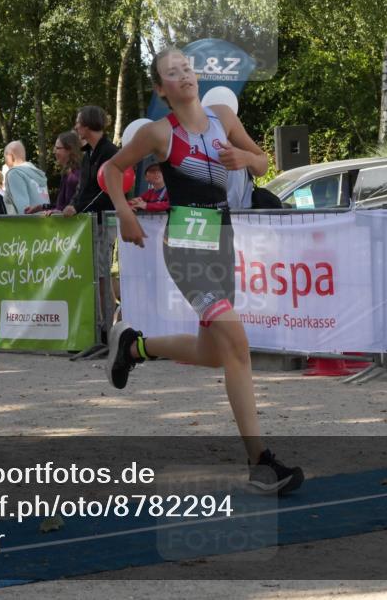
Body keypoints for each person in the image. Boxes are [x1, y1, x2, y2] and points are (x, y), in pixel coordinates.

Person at [103, 46, 304, 496]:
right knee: (237, 344)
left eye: (187, 68)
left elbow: (263, 161)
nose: (185, 75)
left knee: (213, 352)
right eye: (173, 72)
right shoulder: (159, 133)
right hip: (186, 248)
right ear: (162, 89)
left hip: (221, 242)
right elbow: (112, 169)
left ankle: (134, 347)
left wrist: (245, 160)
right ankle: (260, 463)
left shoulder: (223, 119)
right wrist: (125, 213)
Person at [62, 106, 119, 217]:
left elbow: (108, 193)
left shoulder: (110, 152)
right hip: (87, 220)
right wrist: (71, 205)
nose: (76, 127)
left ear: (87, 124)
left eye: (78, 122)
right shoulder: (87, 154)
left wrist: (78, 208)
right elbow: (81, 188)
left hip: (104, 220)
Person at [3, 141, 50, 215]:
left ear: (11, 156)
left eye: (5, 157)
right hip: (46, 220)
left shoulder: (15, 173)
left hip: (28, 222)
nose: (5, 161)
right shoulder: (37, 173)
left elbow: (23, 209)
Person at [45, 130, 82, 215]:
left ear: (70, 150)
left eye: (58, 148)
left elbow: (70, 208)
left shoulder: (75, 175)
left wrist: (58, 211)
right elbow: (61, 206)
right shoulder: (68, 173)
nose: (54, 151)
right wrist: (41, 207)